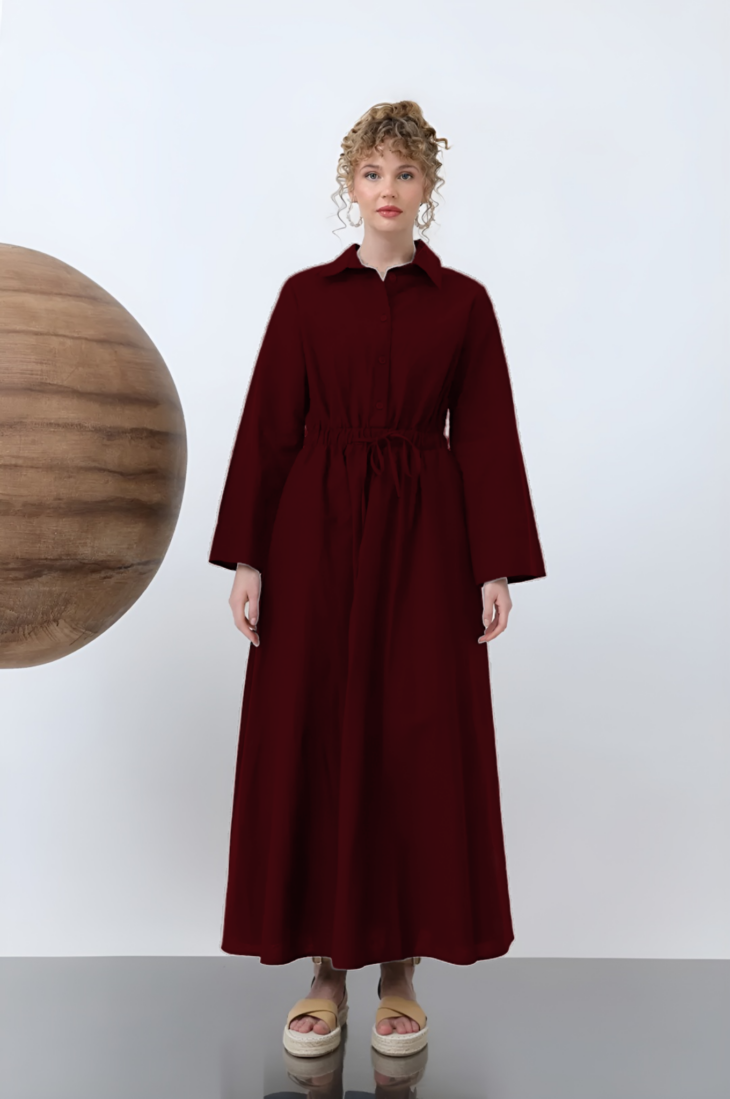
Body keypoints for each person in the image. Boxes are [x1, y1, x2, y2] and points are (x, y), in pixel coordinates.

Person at [208, 100, 546, 1059]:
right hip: (313, 537)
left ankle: (401, 969)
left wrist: (492, 565)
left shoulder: (464, 304)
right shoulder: (304, 299)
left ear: (428, 187)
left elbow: (485, 436)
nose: (387, 189)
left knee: (413, 737)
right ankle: (326, 971)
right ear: (349, 184)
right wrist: (250, 557)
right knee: (316, 729)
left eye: (404, 173)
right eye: (371, 172)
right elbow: (269, 429)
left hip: (425, 538)